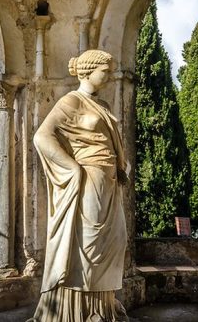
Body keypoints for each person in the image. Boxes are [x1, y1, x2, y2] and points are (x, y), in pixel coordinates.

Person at [30, 49, 129, 322]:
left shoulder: (104, 106)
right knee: (89, 244)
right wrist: (71, 167)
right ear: (87, 70)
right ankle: (77, 311)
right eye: (105, 71)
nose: (109, 76)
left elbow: (112, 143)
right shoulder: (70, 101)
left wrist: (121, 166)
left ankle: (103, 307)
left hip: (109, 180)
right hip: (89, 180)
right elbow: (42, 137)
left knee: (113, 241)